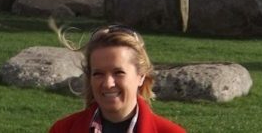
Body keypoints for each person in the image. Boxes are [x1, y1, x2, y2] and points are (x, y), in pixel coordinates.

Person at [49, 24, 186, 133]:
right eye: (98, 74)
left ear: (141, 76)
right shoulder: (63, 129)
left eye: (118, 72)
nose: (108, 84)